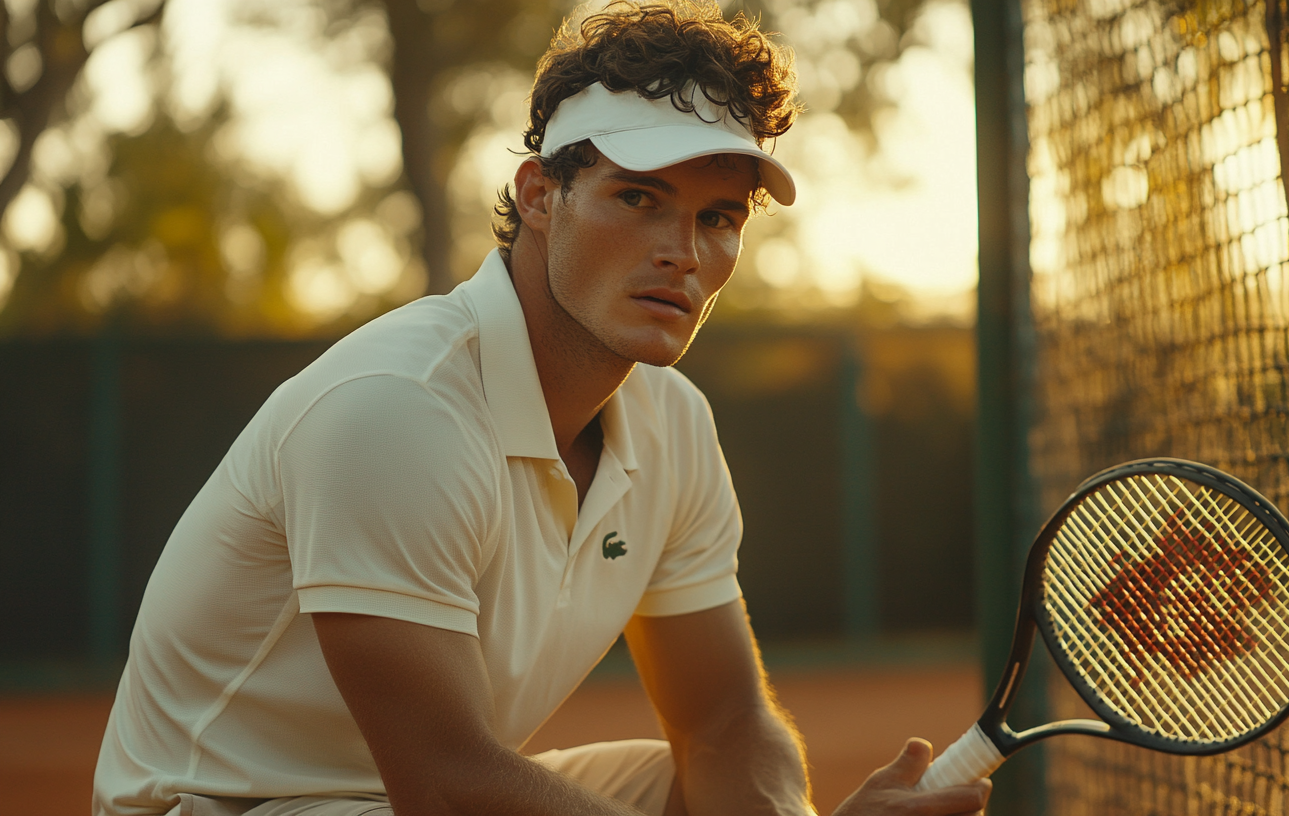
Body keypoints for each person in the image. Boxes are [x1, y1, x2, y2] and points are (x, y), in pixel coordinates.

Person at [93, 3, 993, 815]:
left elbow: (723, 719)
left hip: (401, 796)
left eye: (718, 217)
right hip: (224, 807)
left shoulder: (673, 426)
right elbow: (447, 787)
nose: (682, 251)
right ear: (539, 195)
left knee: (682, 787)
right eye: (638, 198)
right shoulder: (397, 409)